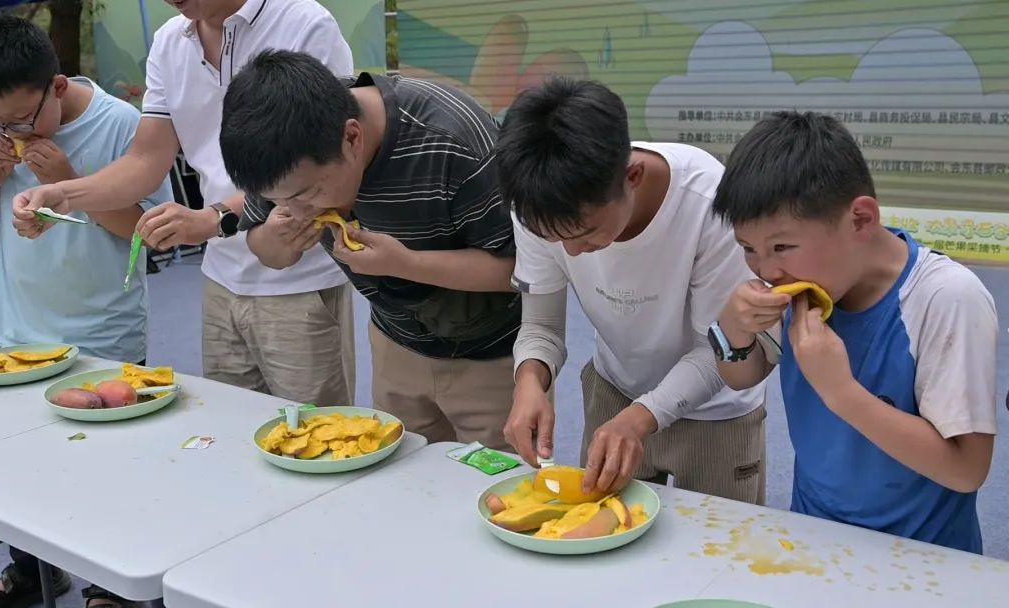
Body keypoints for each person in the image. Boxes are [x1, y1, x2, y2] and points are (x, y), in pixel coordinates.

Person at [14, 0, 357, 406]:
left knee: (321, 436)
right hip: (221, 275)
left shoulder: (303, 22)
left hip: (299, 276)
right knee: (231, 427)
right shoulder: (169, 41)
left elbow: (316, 163)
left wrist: (211, 220)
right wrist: (63, 194)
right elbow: (145, 160)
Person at [0, 16, 172, 607]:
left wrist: (71, 183)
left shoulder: (123, 125)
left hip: (105, 333)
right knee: (22, 473)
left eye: (21, 120)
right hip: (16, 330)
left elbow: (150, 235)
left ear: (55, 84)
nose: (9, 130)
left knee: (108, 472)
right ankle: (31, 572)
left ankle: (112, 585)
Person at [711, 110, 997, 553]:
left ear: (861, 219)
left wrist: (840, 392)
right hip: (815, 532)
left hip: (924, 552)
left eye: (782, 246)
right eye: (748, 249)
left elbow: (966, 470)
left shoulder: (946, 298)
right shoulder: (799, 285)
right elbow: (740, 376)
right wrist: (732, 329)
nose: (767, 270)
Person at [218, 50, 521, 448]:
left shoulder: (454, 141)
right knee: (405, 477)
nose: (294, 209)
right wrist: (277, 244)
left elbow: (517, 269)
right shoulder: (283, 158)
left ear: (352, 138)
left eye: (307, 194)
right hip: (394, 341)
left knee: (496, 491)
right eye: (279, 200)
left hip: (491, 357)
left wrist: (406, 264)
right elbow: (266, 247)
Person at [495, 78, 767, 499]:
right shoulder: (537, 203)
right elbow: (541, 327)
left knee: (717, 551)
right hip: (614, 390)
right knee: (600, 536)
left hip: (718, 413)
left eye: (585, 232)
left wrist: (642, 417)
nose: (572, 251)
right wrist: (529, 381)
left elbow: (720, 352)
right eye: (553, 238)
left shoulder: (710, 202)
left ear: (632, 176)